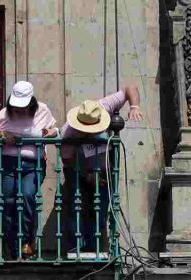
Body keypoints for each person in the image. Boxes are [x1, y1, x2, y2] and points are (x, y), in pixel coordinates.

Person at [60, 84, 142, 258]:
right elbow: (68, 159)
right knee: (78, 206)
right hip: (78, 170)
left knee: (101, 208)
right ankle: (76, 248)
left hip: (102, 170)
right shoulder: (68, 132)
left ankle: (96, 246)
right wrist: (88, 175)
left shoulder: (103, 106)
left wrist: (134, 107)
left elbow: (130, 88)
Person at [0, 81, 58, 259]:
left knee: (28, 197)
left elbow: (53, 129)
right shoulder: (3, 114)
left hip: (32, 164)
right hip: (9, 163)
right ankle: (11, 248)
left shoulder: (42, 110)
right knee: (8, 202)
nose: (19, 110)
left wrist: (51, 132)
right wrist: (3, 136)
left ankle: (27, 242)